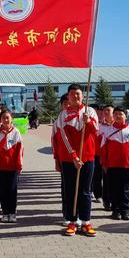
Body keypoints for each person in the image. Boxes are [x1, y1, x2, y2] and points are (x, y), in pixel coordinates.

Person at [55, 84, 99, 237]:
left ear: (82, 96)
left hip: (88, 158)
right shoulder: (63, 115)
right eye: (72, 94)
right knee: (70, 191)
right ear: (68, 96)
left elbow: (95, 133)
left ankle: (86, 221)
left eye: (78, 94)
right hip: (69, 159)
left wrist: (88, 122)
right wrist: (73, 156)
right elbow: (63, 137)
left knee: (85, 191)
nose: (75, 97)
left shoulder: (90, 111)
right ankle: (71, 221)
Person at [100, 106, 129, 220]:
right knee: (114, 189)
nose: (118, 116)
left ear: (126, 116)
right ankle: (115, 211)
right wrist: (104, 164)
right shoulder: (108, 131)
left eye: (120, 114)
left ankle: (125, 211)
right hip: (112, 166)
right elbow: (103, 149)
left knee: (125, 189)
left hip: (128, 166)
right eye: (116, 114)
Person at [0, 109, 24, 223]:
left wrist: (19, 165)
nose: (5, 120)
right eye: (3, 118)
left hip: (13, 167)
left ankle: (12, 212)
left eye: (7, 117)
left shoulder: (16, 132)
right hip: (1, 167)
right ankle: (5, 213)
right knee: (3, 191)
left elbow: (20, 150)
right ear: (0, 120)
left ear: (11, 119)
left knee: (12, 190)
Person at [52, 93, 70, 225]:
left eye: (70, 103)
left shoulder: (81, 118)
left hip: (82, 160)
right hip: (65, 160)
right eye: (65, 103)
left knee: (81, 189)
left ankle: (80, 216)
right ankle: (67, 214)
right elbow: (55, 143)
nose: (68, 105)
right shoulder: (58, 121)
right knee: (66, 188)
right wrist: (57, 160)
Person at [98, 104, 115, 211]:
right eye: (105, 111)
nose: (106, 112)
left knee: (115, 182)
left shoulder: (117, 126)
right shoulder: (100, 126)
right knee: (106, 180)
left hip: (115, 158)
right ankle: (106, 201)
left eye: (109, 110)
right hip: (102, 157)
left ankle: (115, 202)